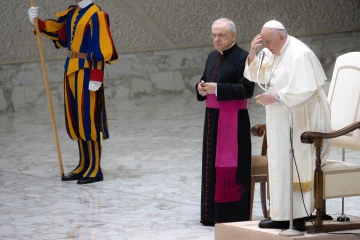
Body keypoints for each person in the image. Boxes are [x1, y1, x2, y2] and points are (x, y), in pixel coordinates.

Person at [244, 20, 331, 230]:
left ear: (281, 37)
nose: (267, 46)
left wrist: (278, 96)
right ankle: (281, 214)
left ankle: (298, 216)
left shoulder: (299, 54)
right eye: (263, 41)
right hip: (281, 117)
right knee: (280, 163)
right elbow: (259, 75)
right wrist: (252, 54)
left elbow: (306, 90)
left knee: (294, 163)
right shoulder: (274, 51)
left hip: (301, 117)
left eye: (268, 41)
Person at [28, 0, 118, 184]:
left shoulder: (97, 15)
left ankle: (94, 168)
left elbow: (100, 47)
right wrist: (37, 21)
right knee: (76, 119)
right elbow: (61, 35)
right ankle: (83, 164)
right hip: (71, 70)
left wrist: (97, 76)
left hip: (87, 71)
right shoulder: (74, 13)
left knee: (89, 119)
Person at [195, 18, 255, 225]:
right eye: (214, 35)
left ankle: (231, 216)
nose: (217, 39)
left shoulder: (243, 58)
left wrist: (217, 89)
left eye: (221, 35)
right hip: (211, 121)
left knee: (233, 167)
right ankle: (209, 215)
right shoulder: (212, 56)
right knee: (210, 164)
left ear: (233, 36)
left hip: (234, 123)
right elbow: (205, 81)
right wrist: (201, 88)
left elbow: (247, 89)